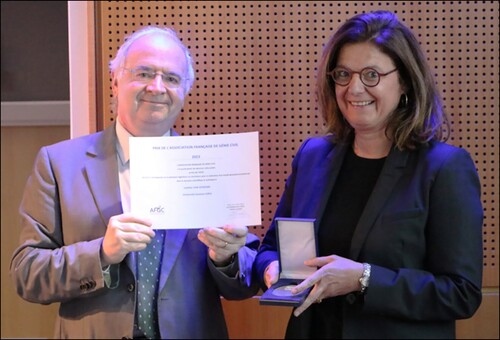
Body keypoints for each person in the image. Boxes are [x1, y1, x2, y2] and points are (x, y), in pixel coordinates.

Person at [10, 26, 260, 339]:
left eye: (171, 78)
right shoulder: (59, 164)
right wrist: (101, 253)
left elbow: (246, 278)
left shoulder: (209, 167)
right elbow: (27, 274)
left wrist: (226, 257)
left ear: (185, 91)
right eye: (144, 73)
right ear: (116, 81)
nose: (157, 87)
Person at [253, 10, 483, 339]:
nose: (354, 88)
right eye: (343, 74)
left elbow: (461, 293)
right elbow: (270, 249)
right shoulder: (313, 156)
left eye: (371, 75)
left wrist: (364, 279)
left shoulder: (445, 168)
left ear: (404, 81)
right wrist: (274, 270)